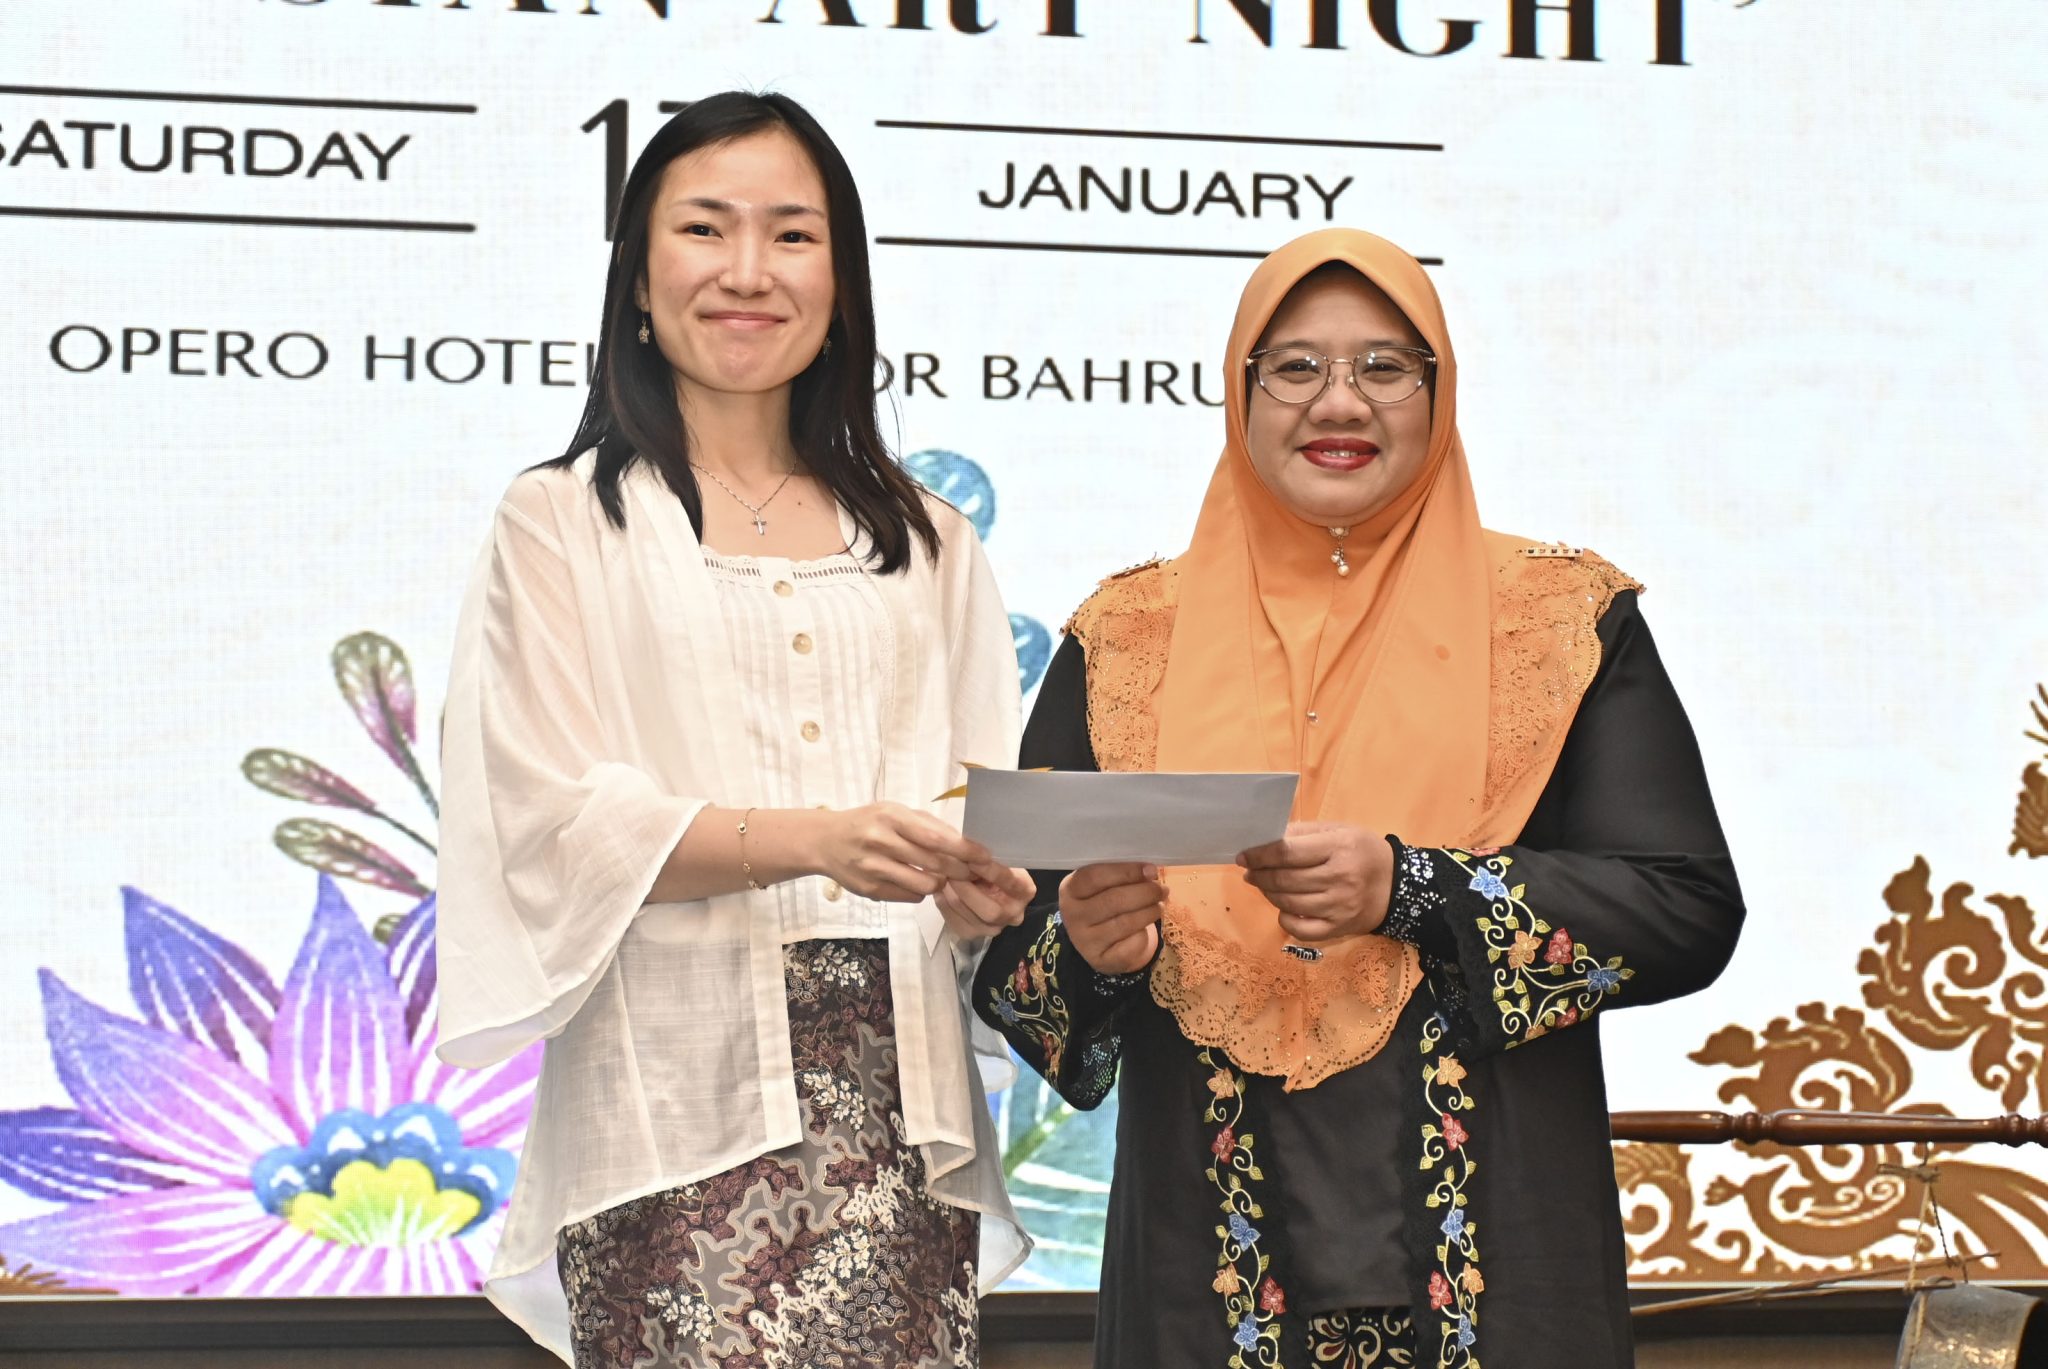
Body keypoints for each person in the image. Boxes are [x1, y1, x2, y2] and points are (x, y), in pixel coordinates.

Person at [974, 228, 1745, 1369]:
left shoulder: (1560, 625)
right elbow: (1018, 973)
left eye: (1385, 366)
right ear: (1239, 392)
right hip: (1204, 1286)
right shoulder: (1128, 640)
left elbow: (1685, 908)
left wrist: (1411, 885)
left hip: (1497, 1277)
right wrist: (1089, 949)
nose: (1339, 401)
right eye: (1294, 367)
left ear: (1440, 392)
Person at [435, 91, 1035, 1368]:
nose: (749, 271)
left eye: (792, 235)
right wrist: (809, 837)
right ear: (638, 280)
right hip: (669, 1105)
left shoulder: (929, 540)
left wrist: (982, 886)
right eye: (705, 229)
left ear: (842, 283)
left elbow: (981, 800)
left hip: (897, 1101)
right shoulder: (560, 522)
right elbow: (549, 818)